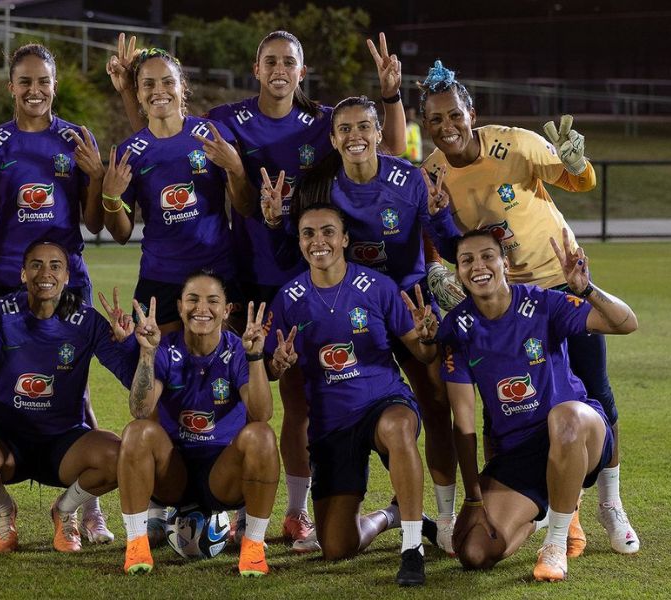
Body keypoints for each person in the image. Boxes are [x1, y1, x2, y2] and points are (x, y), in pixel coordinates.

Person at [106, 30, 407, 548]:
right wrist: (133, 95)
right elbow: (166, 138)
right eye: (271, 60)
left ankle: (291, 511)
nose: (279, 69)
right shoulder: (225, 119)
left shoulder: (322, 120)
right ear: (256, 66)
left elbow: (390, 149)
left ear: (301, 70)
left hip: (309, 273)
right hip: (245, 278)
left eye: (289, 61)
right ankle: (190, 501)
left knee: (298, 396)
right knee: (210, 382)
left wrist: (391, 95)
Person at [419, 59, 640, 555]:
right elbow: (451, 244)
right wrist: (438, 255)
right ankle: (535, 503)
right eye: (435, 120)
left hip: (559, 286)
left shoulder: (515, 143)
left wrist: (577, 162)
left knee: (593, 393)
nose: (447, 127)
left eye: (454, 114)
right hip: (498, 300)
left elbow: (578, 182)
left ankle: (608, 502)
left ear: (470, 111)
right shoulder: (429, 173)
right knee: (505, 409)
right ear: (426, 126)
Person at [264, 95, 463, 554]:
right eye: (345, 129)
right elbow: (293, 255)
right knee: (314, 401)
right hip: (350, 305)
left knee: (435, 403)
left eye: (364, 128)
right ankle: (317, 509)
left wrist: (440, 215)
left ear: (379, 134)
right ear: (333, 139)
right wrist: (277, 223)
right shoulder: (318, 186)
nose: (355, 136)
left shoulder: (410, 180)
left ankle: (446, 518)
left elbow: (448, 245)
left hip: (409, 304)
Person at [0, 43, 113, 544]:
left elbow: (93, 222)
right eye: (25, 81)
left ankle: (88, 509)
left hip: (66, 278)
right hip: (5, 275)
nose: (34, 90)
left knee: (76, 384)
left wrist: (96, 177)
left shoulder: (75, 138)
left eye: (43, 81)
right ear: (11, 87)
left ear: (54, 85)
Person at [439, 228, 637, 581]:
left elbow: (626, 323)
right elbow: (464, 424)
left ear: (506, 264)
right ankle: (545, 511)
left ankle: (556, 542)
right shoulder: (458, 328)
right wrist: (473, 500)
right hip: (519, 453)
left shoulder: (542, 303)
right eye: (467, 260)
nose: (478, 266)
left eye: (488, 256)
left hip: (580, 432)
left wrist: (586, 290)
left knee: (564, 417)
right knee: (474, 551)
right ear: (458, 274)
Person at [263, 204, 440, 586]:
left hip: (383, 401)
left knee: (397, 429)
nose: (318, 241)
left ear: (344, 239)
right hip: (332, 424)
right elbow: (271, 370)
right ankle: (392, 515)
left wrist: (428, 338)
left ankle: (412, 549)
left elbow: (422, 352)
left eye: (327, 231)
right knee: (337, 546)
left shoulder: (377, 288)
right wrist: (278, 364)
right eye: (308, 234)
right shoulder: (288, 299)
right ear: (300, 242)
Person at [0, 240, 140, 554]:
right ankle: (3, 511)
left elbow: (130, 379)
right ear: (22, 273)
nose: (46, 273)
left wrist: (129, 344)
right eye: (36, 264)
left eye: (55, 265)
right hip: (6, 442)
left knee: (118, 457)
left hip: (65, 443)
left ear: (68, 277)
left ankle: (65, 510)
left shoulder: (85, 319)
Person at [118, 271, 279, 577]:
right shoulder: (166, 348)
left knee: (262, 435)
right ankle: (136, 544)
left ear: (227, 309)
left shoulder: (237, 351)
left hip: (224, 474)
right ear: (180, 306)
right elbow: (141, 409)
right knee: (137, 431)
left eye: (212, 301)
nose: (201, 308)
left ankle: (253, 548)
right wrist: (148, 353)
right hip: (172, 473)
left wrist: (256, 356)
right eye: (192, 299)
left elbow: (260, 414)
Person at [101, 47, 253, 332]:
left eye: (168, 81)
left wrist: (236, 169)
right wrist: (111, 198)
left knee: (227, 370)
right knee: (159, 370)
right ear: (138, 93)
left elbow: (245, 207)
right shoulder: (128, 153)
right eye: (148, 84)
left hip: (217, 272)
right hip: (161, 277)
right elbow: (121, 234)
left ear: (183, 87)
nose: (159, 90)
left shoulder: (212, 134)